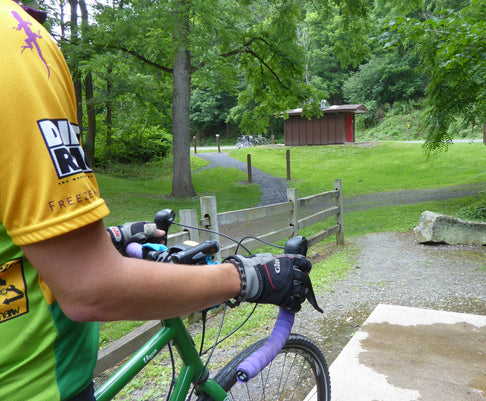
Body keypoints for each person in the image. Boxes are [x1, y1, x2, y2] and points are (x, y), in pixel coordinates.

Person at [0, 2, 316, 400]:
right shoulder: (15, 42)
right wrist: (249, 276)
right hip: (36, 388)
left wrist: (109, 236)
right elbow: (90, 287)